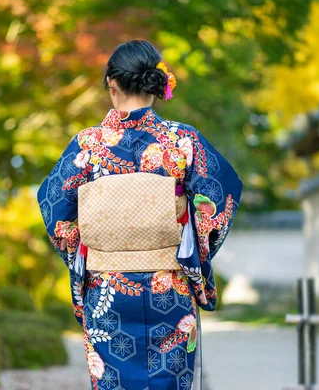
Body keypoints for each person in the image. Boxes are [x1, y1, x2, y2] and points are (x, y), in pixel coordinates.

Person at [37, 40, 243, 390]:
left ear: (111, 87)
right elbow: (220, 199)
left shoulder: (88, 145)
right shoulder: (183, 141)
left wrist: (85, 258)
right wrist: (195, 260)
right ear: (155, 86)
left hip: (107, 292)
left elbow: (55, 209)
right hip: (171, 289)